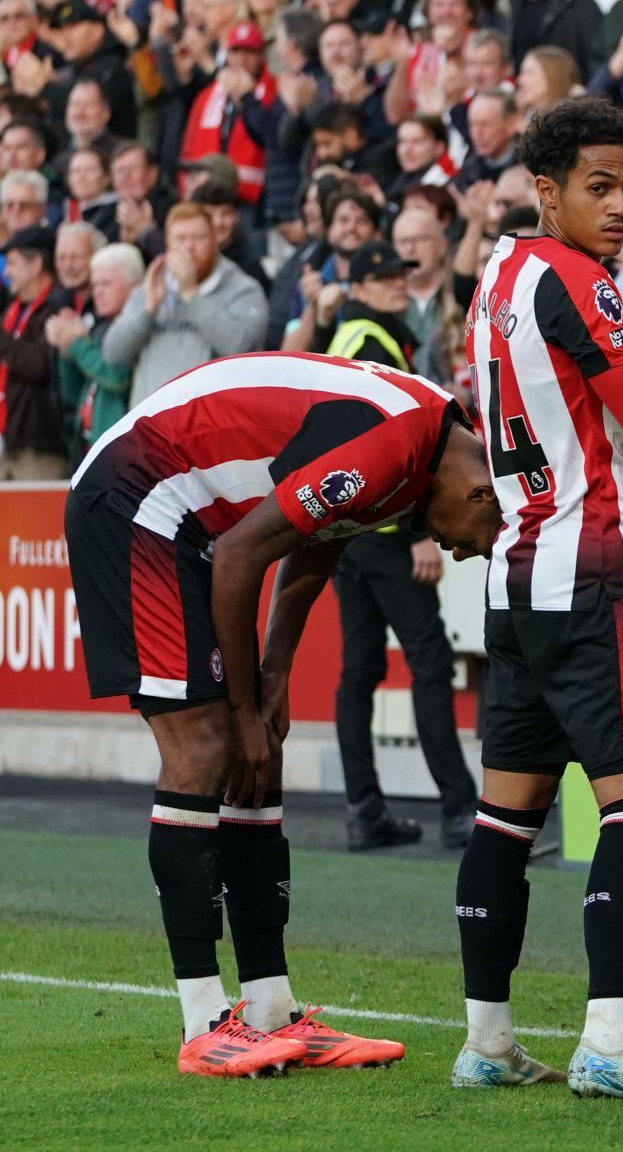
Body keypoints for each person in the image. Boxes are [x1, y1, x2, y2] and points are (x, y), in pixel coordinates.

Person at [65, 351, 504, 1077]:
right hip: (137, 496)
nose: (457, 552)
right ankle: (205, 1021)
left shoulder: (429, 451)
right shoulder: (398, 443)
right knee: (208, 747)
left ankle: (270, 1012)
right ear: (483, 494)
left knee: (257, 748)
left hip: (191, 517)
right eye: (468, 542)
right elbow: (244, 555)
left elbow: (316, 538)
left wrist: (271, 679)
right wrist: (240, 705)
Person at [454, 99, 623, 1099]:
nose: (618, 206)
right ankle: (610, 1035)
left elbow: (567, 377)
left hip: (516, 579)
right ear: (545, 187)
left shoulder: (501, 276)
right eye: (598, 187)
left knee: (504, 819)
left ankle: (486, 1037)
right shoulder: (572, 275)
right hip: (599, 574)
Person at [320, 240, 479, 853]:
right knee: (430, 662)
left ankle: (364, 809)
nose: (396, 284)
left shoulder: (353, 336)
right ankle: (460, 810)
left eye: (400, 275)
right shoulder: (369, 341)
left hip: (351, 530)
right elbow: (395, 447)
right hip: (384, 533)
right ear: (357, 286)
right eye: (383, 277)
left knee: (360, 668)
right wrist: (417, 530)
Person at [100, 203, 271, 405]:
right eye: (180, 239)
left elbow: (241, 348)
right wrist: (148, 311)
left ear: (216, 241)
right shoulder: (151, 287)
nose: (190, 247)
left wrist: (192, 296)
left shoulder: (243, 290)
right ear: (168, 245)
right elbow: (113, 354)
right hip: (152, 426)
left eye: (199, 238)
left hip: (213, 426)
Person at [45, 241, 142, 464]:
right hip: (87, 444)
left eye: (106, 284)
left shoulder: (139, 331)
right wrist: (66, 349)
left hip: (119, 453)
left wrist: (78, 344)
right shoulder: (100, 328)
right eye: (95, 284)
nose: (97, 292)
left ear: (135, 288)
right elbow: (74, 392)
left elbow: (118, 378)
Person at [0, 225, 68, 481]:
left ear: (36, 263)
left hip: (42, 448)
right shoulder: (13, 310)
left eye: (13, 264)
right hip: (11, 443)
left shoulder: (58, 306)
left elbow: (38, 364)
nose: (6, 273)